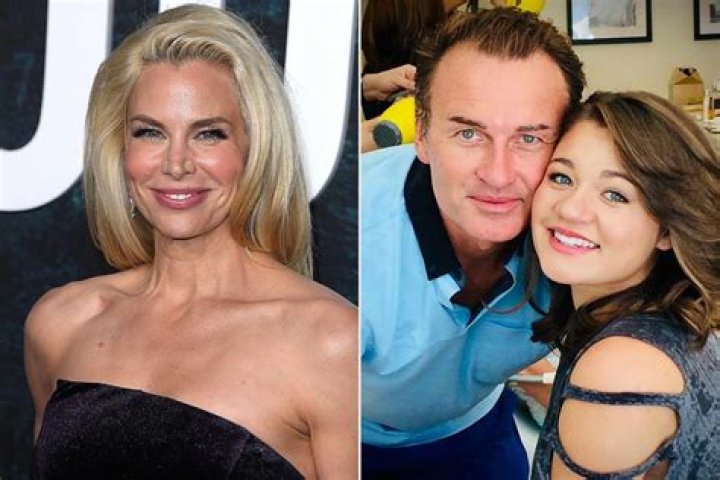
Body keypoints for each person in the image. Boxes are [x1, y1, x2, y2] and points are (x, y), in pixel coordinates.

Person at [24, 5, 357, 479]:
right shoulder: (61, 324)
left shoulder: (331, 343)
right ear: (120, 148)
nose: (176, 163)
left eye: (209, 134)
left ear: (254, 148)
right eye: (150, 132)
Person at [361, 7, 585, 479]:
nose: (498, 175)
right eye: (468, 133)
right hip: (349, 435)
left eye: (529, 138)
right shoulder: (345, 238)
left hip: (478, 424)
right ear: (423, 135)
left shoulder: (587, 237)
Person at [530, 91, 719, 479]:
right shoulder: (665, 326)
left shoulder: (618, 368)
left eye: (615, 194)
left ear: (667, 229)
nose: (570, 208)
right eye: (561, 177)